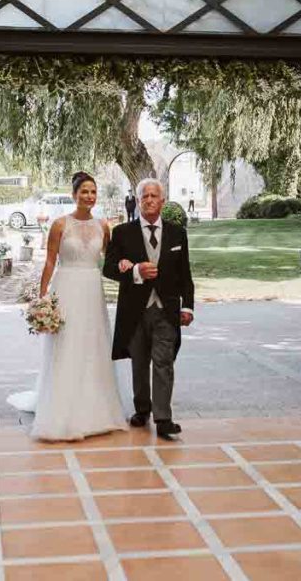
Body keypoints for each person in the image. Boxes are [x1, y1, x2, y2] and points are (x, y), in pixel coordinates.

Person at [7, 172, 127, 441]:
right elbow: (50, 261)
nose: (89, 196)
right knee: (67, 344)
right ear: (74, 195)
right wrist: (43, 298)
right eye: (84, 191)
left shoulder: (103, 226)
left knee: (93, 344)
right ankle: (61, 410)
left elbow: (110, 260)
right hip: (66, 286)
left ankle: (96, 411)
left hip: (92, 289)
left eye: (93, 191)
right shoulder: (60, 225)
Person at [104, 179, 195, 440]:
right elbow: (108, 268)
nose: (150, 200)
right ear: (138, 200)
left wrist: (187, 306)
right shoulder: (122, 232)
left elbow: (185, 274)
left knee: (164, 361)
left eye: (155, 196)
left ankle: (163, 418)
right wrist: (135, 270)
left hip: (166, 309)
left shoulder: (178, 233)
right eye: (145, 196)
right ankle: (142, 409)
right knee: (140, 362)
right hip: (135, 310)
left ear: (162, 201)